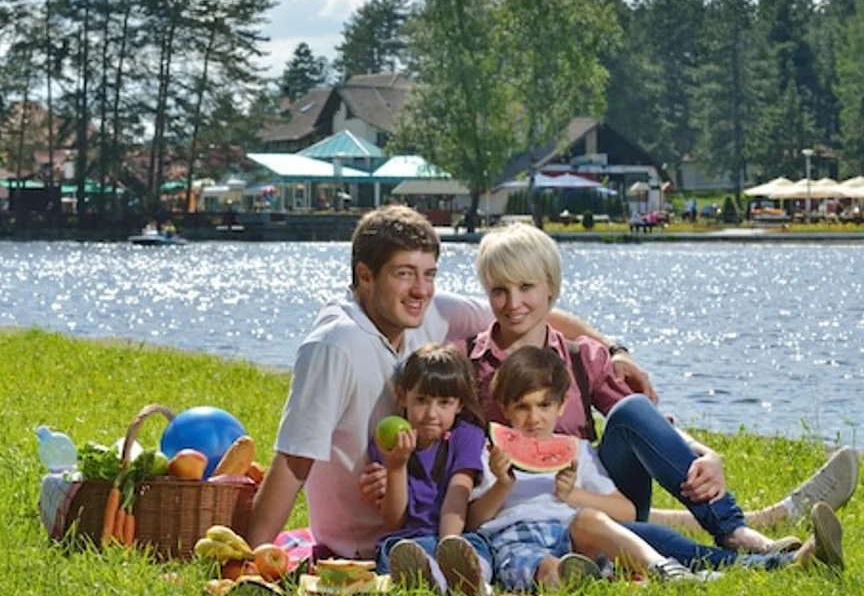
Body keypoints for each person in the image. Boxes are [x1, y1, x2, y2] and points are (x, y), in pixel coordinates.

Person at [247, 206, 656, 560]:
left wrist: (614, 349)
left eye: (429, 274)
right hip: (365, 541)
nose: (420, 290)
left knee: (618, 533)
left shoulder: (430, 311)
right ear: (365, 277)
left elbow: (529, 313)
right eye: (405, 274)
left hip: (442, 515)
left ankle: (687, 538)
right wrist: (250, 555)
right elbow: (294, 459)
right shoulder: (334, 345)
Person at [462, 222, 858, 554]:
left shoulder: (584, 358)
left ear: (551, 289)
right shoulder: (469, 364)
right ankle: (766, 541)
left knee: (631, 408)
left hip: (600, 494)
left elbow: (645, 423)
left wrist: (707, 453)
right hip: (516, 506)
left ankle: (733, 529)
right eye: (499, 290)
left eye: (526, 287)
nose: (513, 303)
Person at [475, 347, 844, 586]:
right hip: (520, 540)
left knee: (657, 539)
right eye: (522, 407)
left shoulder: (579, 452)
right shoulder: (490, 455)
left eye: (543, 406)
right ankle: (776, 565)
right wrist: (501, 486)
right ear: (504, 409)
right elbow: (472, 522)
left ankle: (782, 560)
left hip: (585, 532)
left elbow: (629, 510)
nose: (534, 418)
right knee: (549, 565)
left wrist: (574, 494)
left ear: (560, 407)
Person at [370, 344, 489, 596]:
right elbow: (394, 521)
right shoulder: (388, 440)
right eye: (421, 401)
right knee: (397, 550)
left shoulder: (467, 435)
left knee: (479, 549)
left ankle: (473, 579)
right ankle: (435, 580)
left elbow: (458, 496)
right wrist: (396, 466)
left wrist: (449, 546)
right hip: (411, 539)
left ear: (459, 405)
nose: (431, 414)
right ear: (403, 396)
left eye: (444, 403)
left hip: (456, 534)